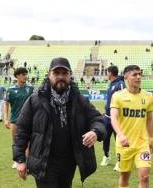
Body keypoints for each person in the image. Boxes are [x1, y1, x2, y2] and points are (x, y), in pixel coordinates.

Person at [13, 57, 106, 188]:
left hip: (69, 162)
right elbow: (22, 131)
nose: (60, 76)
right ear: (49, 75)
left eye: (64, 73)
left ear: (70, 75)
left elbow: (97, 119)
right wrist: (20, 160)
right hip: (44, 161)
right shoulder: (35, 100)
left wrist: (95, 132)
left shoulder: (79, 100)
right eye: (56, 73)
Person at [110, 65, 153, 188]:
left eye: (140, 74)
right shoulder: (117, 96)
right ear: (126, 77)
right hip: (124, 144)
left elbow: (149, 120)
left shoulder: (148, 96)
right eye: (134, 74)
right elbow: (114, 117)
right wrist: (121, 135)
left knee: (145, 177)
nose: (138, 77)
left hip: (142, 144)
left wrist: (151, 138)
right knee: (124, 177)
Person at [4, 67, 33, 169]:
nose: (25, 76)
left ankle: (27, 161)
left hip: (29, 120)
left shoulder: (30, 89)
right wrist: (6, 119)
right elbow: (6, 104)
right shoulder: (11, 90)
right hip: (15, 120)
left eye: (26, 74)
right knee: (15, 141)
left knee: (29, 142)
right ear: (17, 76)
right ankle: (17, 161)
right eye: (23, 74)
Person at [100, 65, 125, 171]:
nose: (106, 74)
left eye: (107, 72)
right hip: (107, 117)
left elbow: (124, 100)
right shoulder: (111, 84)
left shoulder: (121, 84)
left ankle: (120, 162)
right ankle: (106, 156)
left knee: (118, 140)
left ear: (110, 73)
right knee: (105, 138)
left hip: (117, 118)